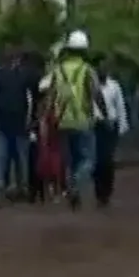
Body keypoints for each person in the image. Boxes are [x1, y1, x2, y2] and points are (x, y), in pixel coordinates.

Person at [44, 30, 100, 210]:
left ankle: (71, 188)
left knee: (69, 160)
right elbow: (95, 94)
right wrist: (99, 114)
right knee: (88, 159)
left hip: (62, 121)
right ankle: (75, 183)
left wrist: (48, 117)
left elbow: (50, 96)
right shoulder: (87, 70)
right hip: (82, 120)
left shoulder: (58, 70)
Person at [0, 45, 34, 207]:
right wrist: (31, 120)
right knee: (20, 157)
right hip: (18, 121)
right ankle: (22, 188)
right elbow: (30, 99)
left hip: (0, 120)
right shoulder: (23, 75)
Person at [92, 53, 129, 205]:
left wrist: (122, 126)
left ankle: (107, 191)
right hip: (96, 126)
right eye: (100, 67)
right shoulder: (91, 87)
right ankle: (98, 190)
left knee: (108, 160)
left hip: (111, 127)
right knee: (97, 160)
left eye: (105, 67)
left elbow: (120, 106)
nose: (103, 70)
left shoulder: (114, 86)